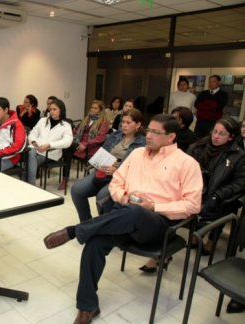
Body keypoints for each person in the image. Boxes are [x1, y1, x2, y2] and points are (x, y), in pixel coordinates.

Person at [43, 114, 202, 324]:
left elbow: (192, 205)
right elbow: (116, 182)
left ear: (171, 136)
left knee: (137, 212)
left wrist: (153, 206)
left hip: (157, 224)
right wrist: (124, 196)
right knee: (95, 243)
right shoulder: (136, 154)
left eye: (156, 132)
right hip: (125, 216)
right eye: (149, 130)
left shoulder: (186, 163)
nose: (149, 136)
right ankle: (88, 306)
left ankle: (74, 231)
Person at [139, 117, 245, 273]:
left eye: (222, 134)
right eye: (214, 131)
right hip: (190, 192)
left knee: (217, 205)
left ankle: (210, 238)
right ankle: (161, 254)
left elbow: (239, 183)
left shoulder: (238, 156)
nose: (216, 136)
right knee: (167, 211)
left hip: (215, 198)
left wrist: (218, 194)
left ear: (231, 137)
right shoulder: (197, 147)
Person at [71, 109, 146, 222]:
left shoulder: (143, 143)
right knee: (76, 190)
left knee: (102, 197)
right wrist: (98, 161)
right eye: (123, 122)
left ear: (138, 124)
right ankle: (86, 223)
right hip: (103, 170)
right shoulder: (115, 135)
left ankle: (104, 226)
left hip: (121, 177)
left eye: (128, 123)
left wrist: (116, 170)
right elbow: (104, 151)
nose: (124, 125)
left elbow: (138, 168)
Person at [64, 100, 109, 190]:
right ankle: (65, 177)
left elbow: (100, 138)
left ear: (100, 110)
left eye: (95, 108)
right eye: (92, 107)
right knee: (67, 147)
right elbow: (76, 130)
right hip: (79, 144)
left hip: (91, 148)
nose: (92, 110)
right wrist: (70, 137)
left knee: (68, 147)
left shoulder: (103, 122)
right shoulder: (86, 119)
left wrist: (86, 143)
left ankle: (65, 178)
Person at [27, 98, 72, 186]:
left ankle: (29, 186)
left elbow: (67, 142)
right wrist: (33, 141)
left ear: (61, 110)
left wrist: (49, 145)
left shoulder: (66, 125)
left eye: (54, 109)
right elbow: (33, 133)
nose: (51, 111)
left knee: (29, 161)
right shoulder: (43, 120)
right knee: (31, 153)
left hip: (51, 153)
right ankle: (31, 185)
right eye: (50, 109)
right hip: (36, 148)